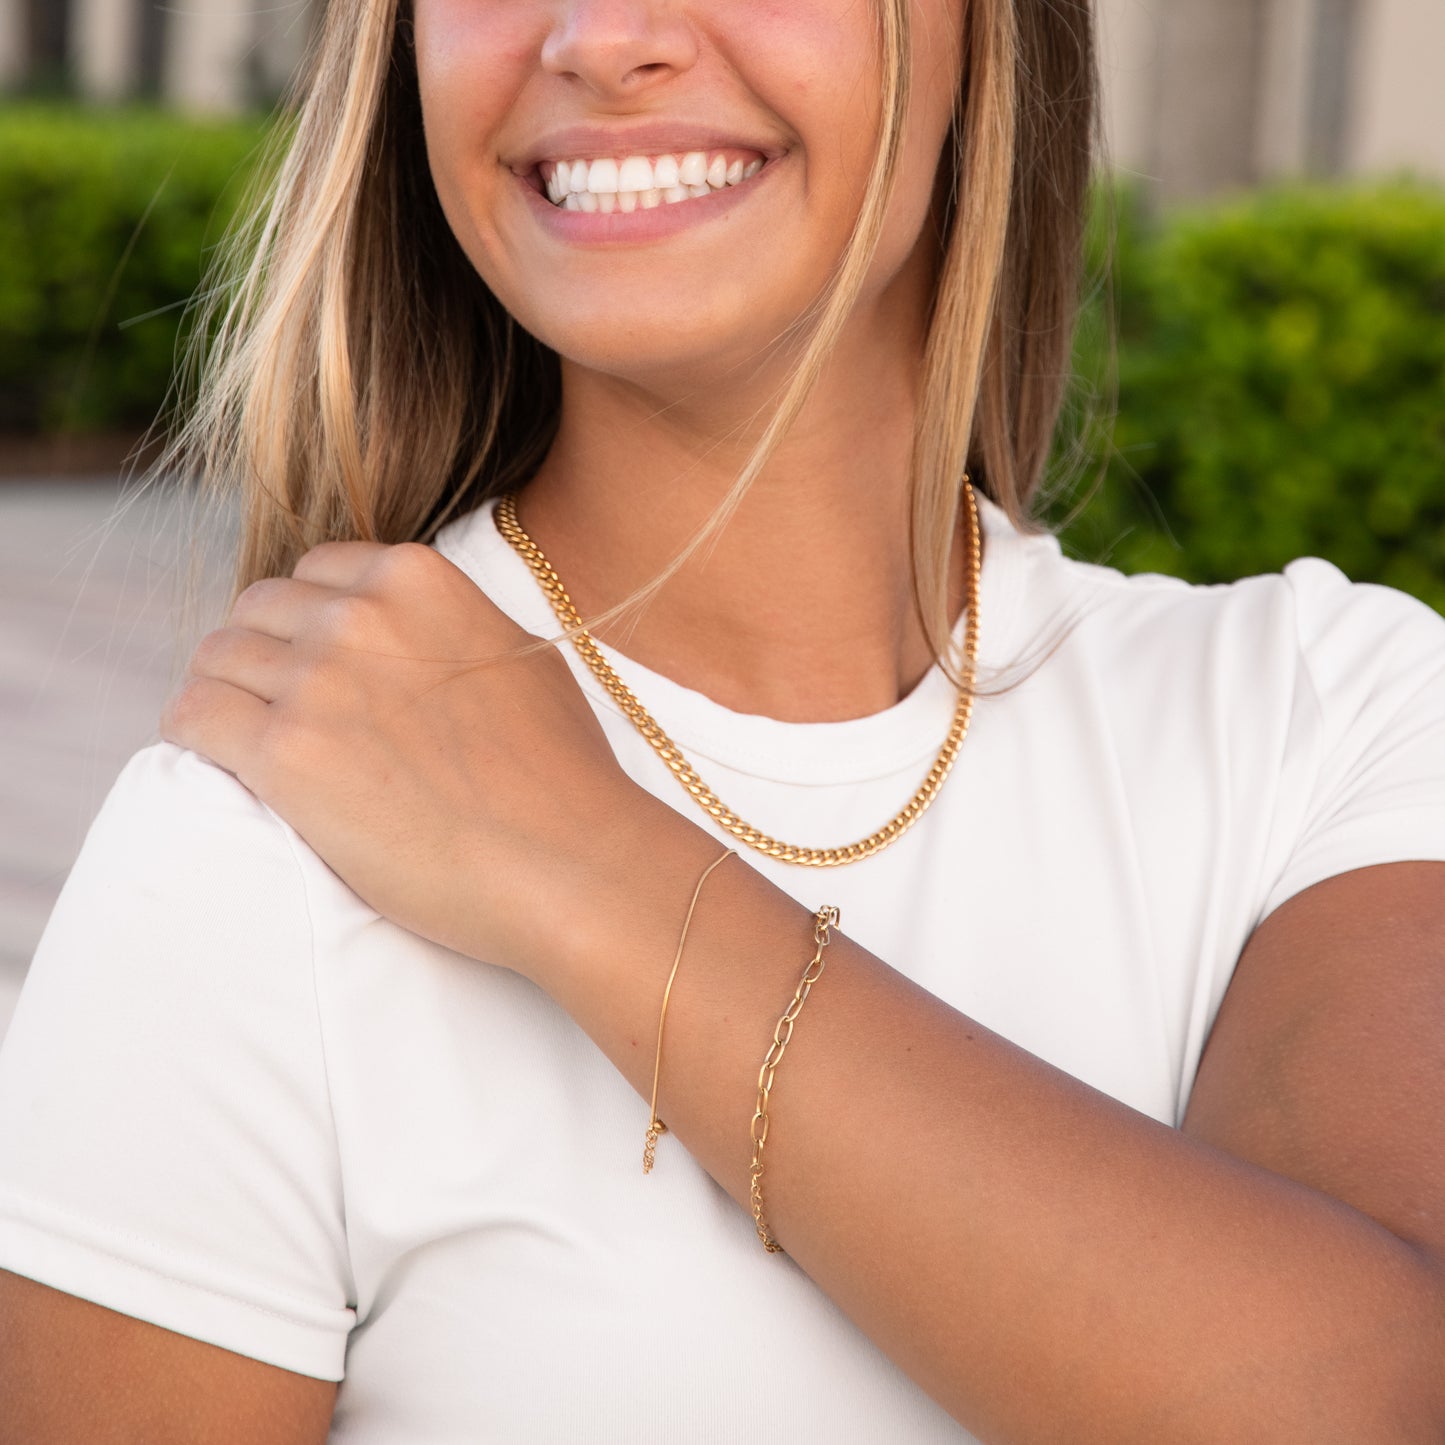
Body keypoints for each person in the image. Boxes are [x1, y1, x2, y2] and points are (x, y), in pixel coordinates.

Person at [2, 0, 1444, 1440]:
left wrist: (578, 859)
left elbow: (1361, 1405)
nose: (603, 38)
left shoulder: (1324, 717)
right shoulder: (262, 848)